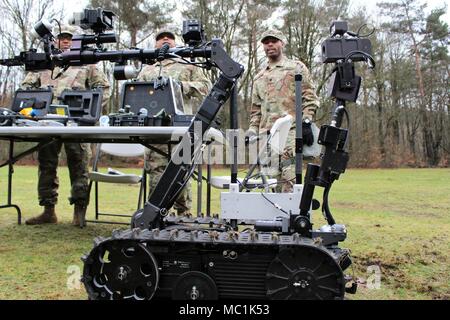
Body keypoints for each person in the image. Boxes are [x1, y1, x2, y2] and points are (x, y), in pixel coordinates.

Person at [21, 25, 110, 226]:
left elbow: (104, 88)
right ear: (55, 40)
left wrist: (89, 111)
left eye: (70, 38)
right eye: (62, 37)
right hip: (46, 124)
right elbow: (25, 89)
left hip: (76, 124)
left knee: (79, 166)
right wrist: (32, 112)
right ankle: (48, 210)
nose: (66, 41)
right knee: (46, 165)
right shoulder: (44, 63)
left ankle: (79, 212)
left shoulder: (87, 63)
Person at [138, 28, 211, 215]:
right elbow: (137, 94)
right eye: (160, 38)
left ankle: (184, 216)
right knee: (156, 174)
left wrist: (180, 86)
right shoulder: (147, 69)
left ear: (176, 42)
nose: (165, 40)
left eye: (169, 38)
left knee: (180, 173)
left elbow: (206, 87)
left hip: (181, 129)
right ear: (154, 44)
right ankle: (155, 216)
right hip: (154, 132)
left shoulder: (188, 65)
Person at [248, 29, 320, 192]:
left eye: (274, 41)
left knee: (290, 181)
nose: (270, 44)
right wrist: (252, 131)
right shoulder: (259, 77)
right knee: (270, 185)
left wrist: (307, 121)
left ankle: (293, 216)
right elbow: (256, 111)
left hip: (291, 133)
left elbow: (310, 98)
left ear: (282, 43)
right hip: (266, 137)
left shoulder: (296, 68)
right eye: (266, 42)